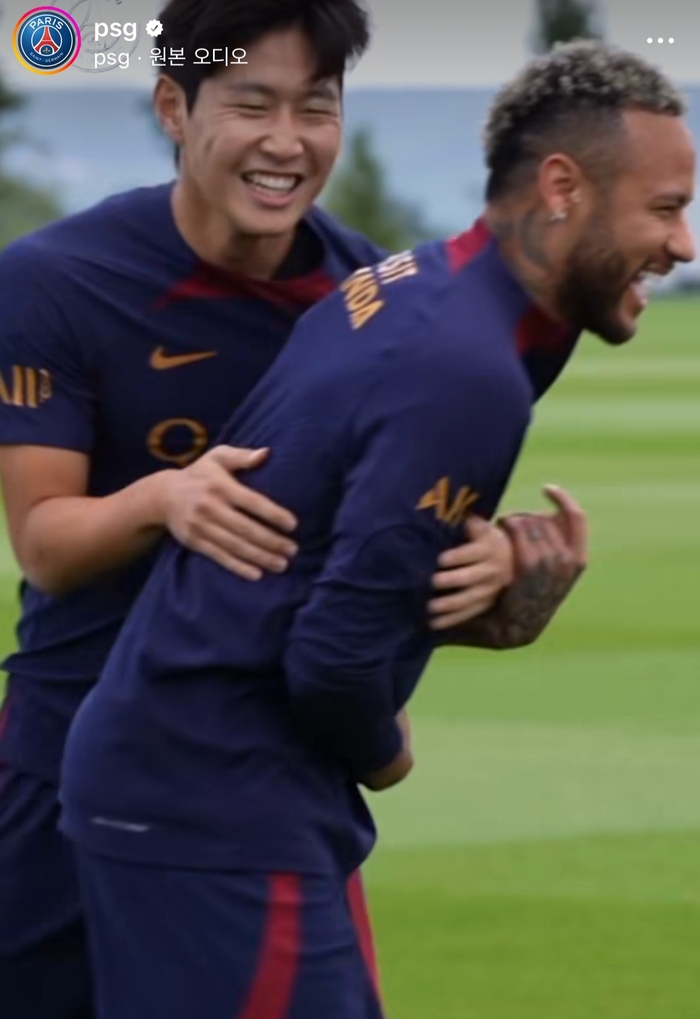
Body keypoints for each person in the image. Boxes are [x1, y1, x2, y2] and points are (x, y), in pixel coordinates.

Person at [59, 39, 695, 1019]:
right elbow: (335, 657)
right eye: (664, 208)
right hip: (219, 803)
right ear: (563, 188)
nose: (683, 244)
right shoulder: (468, 370)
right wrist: (388, 751)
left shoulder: (413, 280)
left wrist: (477, 581)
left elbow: (340, 541)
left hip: (188, 784)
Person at [0, 3, 523, 1017]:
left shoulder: (372, 298)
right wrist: (165, 496)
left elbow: (394, 536)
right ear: (173, 107)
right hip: (58, 756)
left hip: (261, 783)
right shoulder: (53, 281)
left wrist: (491, 565)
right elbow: (46, 544)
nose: (288, 141)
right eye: (252, 105)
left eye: (316, 107)